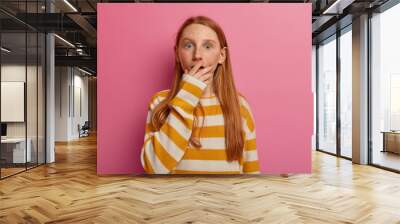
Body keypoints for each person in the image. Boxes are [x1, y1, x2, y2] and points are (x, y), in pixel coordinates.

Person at [140, 15, 260, 174]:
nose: (197, 55)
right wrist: (187, 96)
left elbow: (251, 174)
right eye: (188, 45)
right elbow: (154, 168)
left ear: (222, 56)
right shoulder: (160, 103)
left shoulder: (240, 105)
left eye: (208, 46)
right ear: (177, 54)